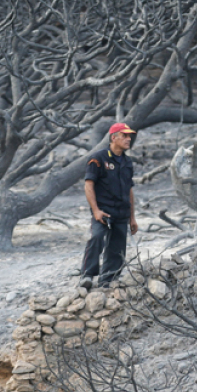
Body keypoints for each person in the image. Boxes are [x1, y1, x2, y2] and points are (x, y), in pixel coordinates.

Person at [80, 122, 139, 288]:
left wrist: (132, 218)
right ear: (113, 138)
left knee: (117, 247)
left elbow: (129, 190)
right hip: (103, 211)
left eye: (129, 136)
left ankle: (108, 280)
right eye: (124, 136)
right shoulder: (98, 158)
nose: (128, 139)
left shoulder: (127, 162)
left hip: (122, 212)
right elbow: (88, 185)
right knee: (96, 238)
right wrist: (96, 211)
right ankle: (87, 275)